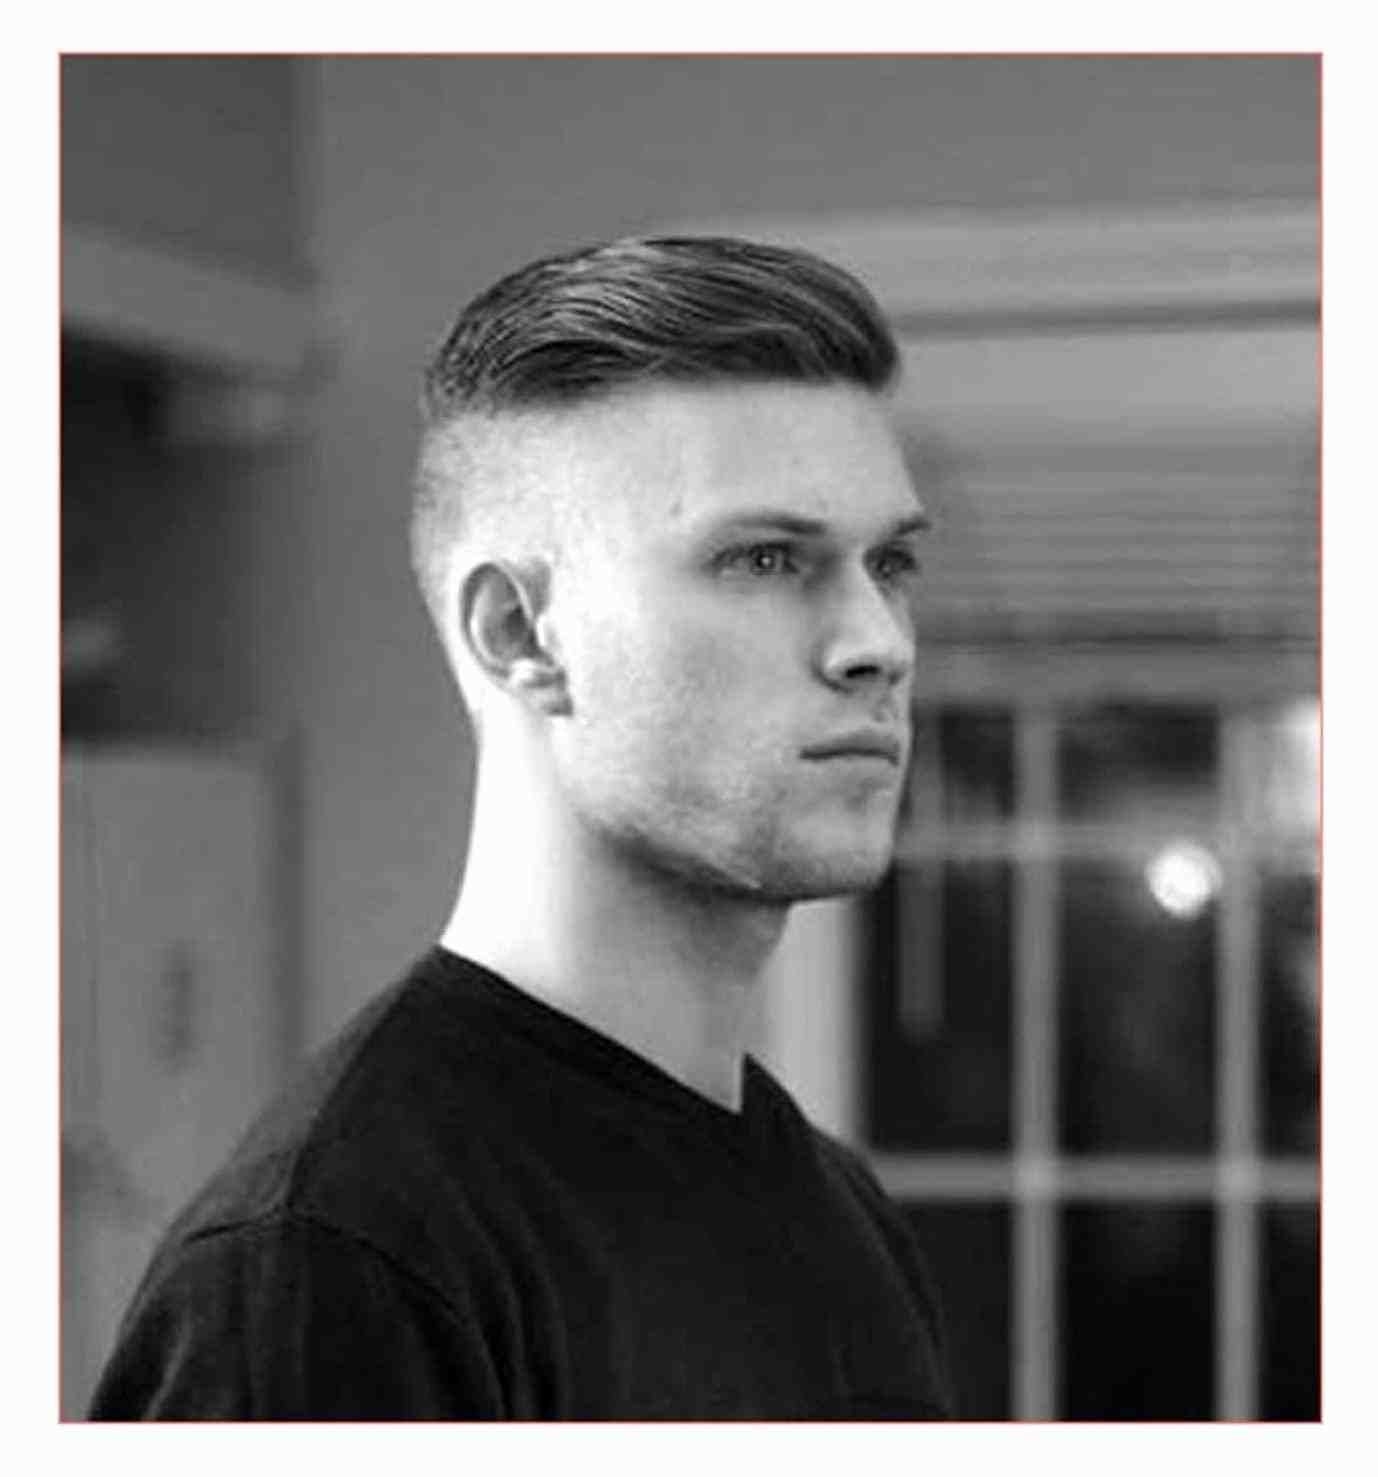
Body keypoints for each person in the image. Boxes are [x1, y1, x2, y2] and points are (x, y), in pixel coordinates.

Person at [89, 235, 954, 1421]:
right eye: (764, 558)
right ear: (518, 633)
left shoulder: (834, 1209)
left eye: (889, 563)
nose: (878, 642)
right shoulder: (337, 1263)